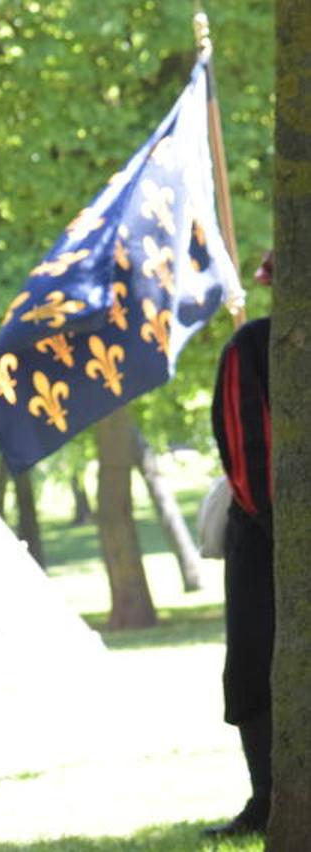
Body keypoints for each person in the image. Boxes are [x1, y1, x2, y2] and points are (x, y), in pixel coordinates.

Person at [205, 249, 274, 838]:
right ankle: (269, 799)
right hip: (266, 542)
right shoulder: (253, 348)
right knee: (256, 669)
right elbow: (248, 456)